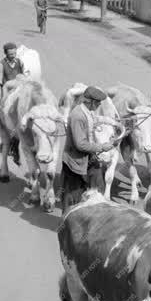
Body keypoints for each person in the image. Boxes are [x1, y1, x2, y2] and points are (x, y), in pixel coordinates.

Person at [59, 85, 114, 213]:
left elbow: (95, 120)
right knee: (73, 197)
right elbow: (81, 144)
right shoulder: (78, 116)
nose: (100, 105)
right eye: (98, 102)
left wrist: (116, 124)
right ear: (91, 102)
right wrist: (102, 147)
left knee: (98, 188)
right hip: (75, 162)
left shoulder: (88, 112)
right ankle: (67, 222)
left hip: (89, 159)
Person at [0, 42, 26, 165]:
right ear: (5, 54)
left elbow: (23, 77)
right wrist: (1, 99)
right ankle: (6, 143)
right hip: (6, 96)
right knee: (6, 126)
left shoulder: (19, 62)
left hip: (18, 96)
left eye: (14, 53)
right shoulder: (1, 65)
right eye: (10, 54)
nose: (13, 56)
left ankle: (15, 147)